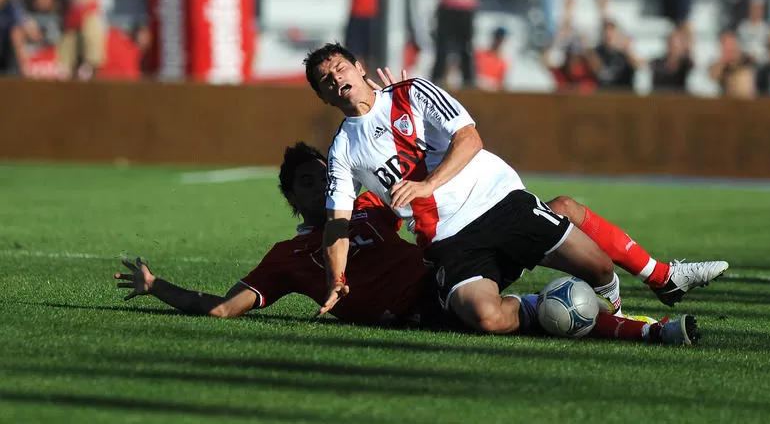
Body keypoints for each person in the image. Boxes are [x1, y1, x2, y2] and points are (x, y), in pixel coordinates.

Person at [303, 42, 728, 337]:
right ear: (323, 96)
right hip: (449, 240)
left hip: (500, 203)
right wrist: (336, 277)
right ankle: (575, 314)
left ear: (359, 67)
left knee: (599, 269)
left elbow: (470, 139)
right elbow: (337, 222)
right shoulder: (342, 149)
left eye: (340, 68)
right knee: (486, 318)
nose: (336, 79)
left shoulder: (413, 91)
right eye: (325, 80)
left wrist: (426, 184)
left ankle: (635, 298)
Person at [114, 139, 704, 345]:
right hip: (429, 306)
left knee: (567, 211)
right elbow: (219, 308)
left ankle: (657, 277)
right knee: (501, 318)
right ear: (293, 201)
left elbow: (405, 167)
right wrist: (155, 286)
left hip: (454, 261)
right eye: (305, 181)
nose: (321, 181)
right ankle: (648, 332)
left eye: (324, 172)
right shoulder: (289, 259)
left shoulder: (370, 207)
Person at [593, 20, 643, 91]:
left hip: (623, 94)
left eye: (611, 31)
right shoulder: (597, 52)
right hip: (603, 93)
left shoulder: (624, 51)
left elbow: (640, 66)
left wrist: (627, 51)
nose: (608, 34)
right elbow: (597, 71)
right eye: (606, 31)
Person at [650, 28, 694, 93]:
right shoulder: (657, 62)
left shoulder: (685, 63)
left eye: (675, 43)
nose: (672, 45)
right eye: (670, 42)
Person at [473, 26, 510, 91]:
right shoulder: (479, 54)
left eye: (501, 38)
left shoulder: (503, 62)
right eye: (497, 37)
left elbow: (501, 84)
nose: (499, 41)